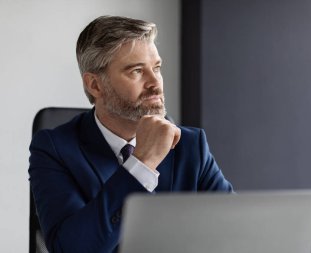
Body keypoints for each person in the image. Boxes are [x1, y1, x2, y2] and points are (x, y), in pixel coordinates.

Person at [28, 15, 233, 253]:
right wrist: (141, 164)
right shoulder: (54, 149)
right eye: (137, 71)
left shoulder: (191, 145)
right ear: (95, 85)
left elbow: (235, 229)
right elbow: (72, 249)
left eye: (157, 68)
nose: (155, 84)